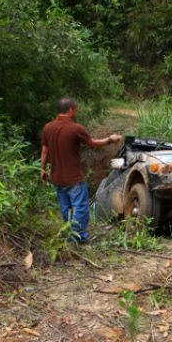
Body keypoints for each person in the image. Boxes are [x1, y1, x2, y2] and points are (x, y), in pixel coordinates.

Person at [40, 98, 121, 243]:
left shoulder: (48, 127)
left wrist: (42, 170)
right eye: (75, 109)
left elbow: (45, 151)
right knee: (80, 208)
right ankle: (76, 239)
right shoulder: (75, 128)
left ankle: (70, 234)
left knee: (66, 209)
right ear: (70, 110)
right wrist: (111, 138)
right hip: (73, 178)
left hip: (57, 178)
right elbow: (93, 143)